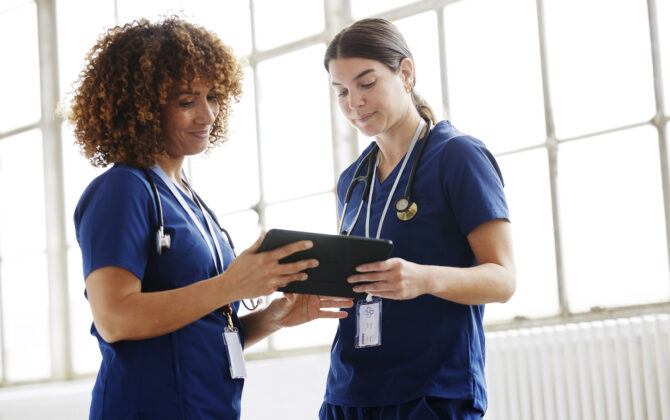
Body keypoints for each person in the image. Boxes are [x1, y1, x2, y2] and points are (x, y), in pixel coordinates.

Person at [69, 16, 351, 419]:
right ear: (144, 109)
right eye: (187, 102)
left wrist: (272, 318)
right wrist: (229, 285)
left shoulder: (191, 201)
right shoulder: (122, 190)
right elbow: (115, 318)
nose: (208, 116)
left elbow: (200, 333)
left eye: (213, 97)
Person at [320, 18, 516, 419]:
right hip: (350, 392)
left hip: (431, 391)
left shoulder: (458, 157)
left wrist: (423, 278)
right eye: (341, 92)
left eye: (367, 83)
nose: (354, 103)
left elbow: (503, 279)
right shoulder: (351, 181)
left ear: (405, 73)